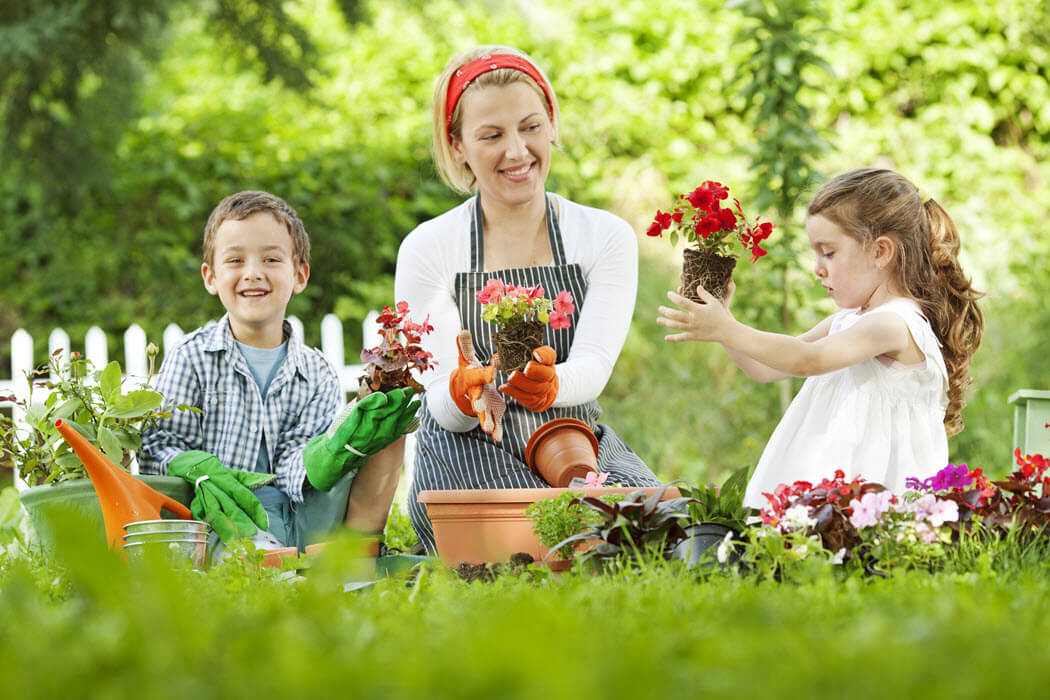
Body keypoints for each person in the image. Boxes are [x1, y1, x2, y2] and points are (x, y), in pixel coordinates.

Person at [395, 45, 662, 552]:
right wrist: (461, 392)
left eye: (530, 126)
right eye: (491, 135)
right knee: (531, 548)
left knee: (659, 526)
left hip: (572, 441)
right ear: (457, 147)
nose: (517, 151)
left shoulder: (603, 236)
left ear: (553, 124)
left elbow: (596, 365)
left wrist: (550, 382)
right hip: (465, 448)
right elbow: (437, 399)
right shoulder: (430, 247)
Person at [657, 168, 984, 509]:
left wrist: (726, 328)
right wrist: (724, 322)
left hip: (876, 508)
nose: (817, 268)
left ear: (880, 252)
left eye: (828, 252)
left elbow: (806, 359)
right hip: (832, 500)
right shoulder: (846, 322)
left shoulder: (895, 323)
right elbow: (765, 368)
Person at [140, 190, 418, 552]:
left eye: (271, 259)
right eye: (235, 260)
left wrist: (327, 454)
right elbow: (157, 448)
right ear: (210, 277)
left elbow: (295, 469)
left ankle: (355, 553)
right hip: (215, 521)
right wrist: (194, 465)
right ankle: (264, 561)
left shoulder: (317, 373)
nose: (253, 274)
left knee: (385, 434)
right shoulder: (192, 357)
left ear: (299, 275)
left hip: (298, 517)